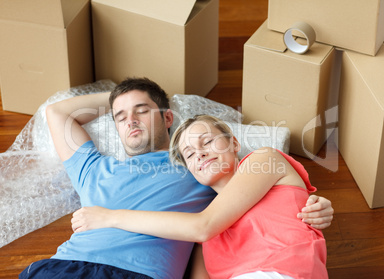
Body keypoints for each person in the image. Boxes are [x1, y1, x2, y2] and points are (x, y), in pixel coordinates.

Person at [20, 77, 333, 279]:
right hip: (65, 267)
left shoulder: (196, 171)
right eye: (120, 116)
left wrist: (310, 201)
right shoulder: (91, 168)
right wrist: (121, 97)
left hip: (138, 274)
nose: (130, 120)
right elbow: (57, 114)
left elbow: (243, 195)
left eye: (142, 111)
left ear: (167, 117)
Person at [71, 114, 330, 279]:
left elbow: (203, 227)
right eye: (190, 154)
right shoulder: (202, 237)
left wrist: (108, 217)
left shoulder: (263, 160)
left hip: (285, 271)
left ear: (234, 144)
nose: (200, 154)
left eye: (206, 142)